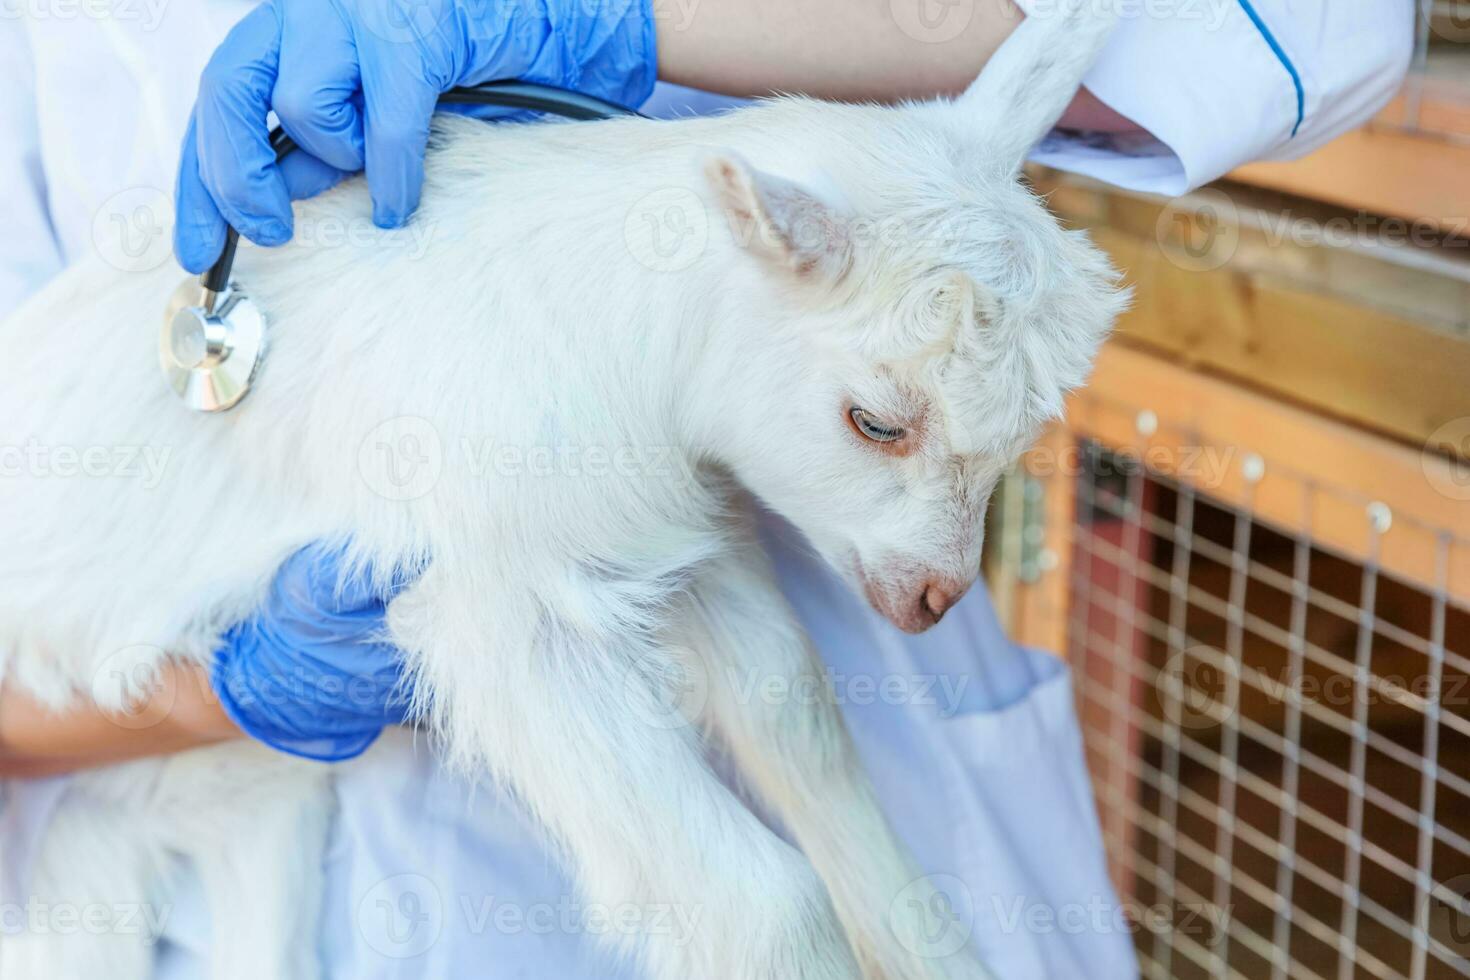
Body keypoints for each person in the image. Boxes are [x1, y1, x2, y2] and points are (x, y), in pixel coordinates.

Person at [0, 1, 1412, 977]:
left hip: (894, 774)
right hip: (216, 876)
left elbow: (1313, 24)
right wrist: (220, 694)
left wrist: (616, 19)